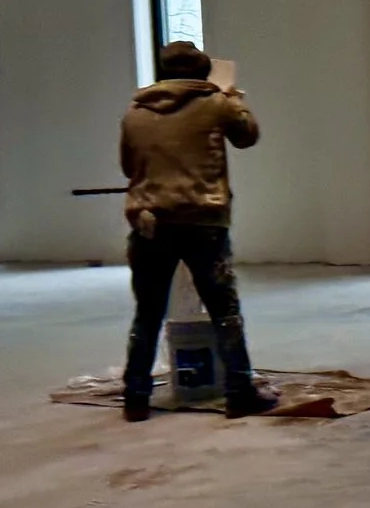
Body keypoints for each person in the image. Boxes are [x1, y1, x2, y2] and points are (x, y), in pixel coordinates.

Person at [117, 41, 278, 420]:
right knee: (224, 309)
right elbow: (247, 136)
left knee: (148, 310)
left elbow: (128, 168)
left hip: (149, 220)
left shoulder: (135, 112)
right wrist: (234, 98)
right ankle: (239, 391)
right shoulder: (216, 103)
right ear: (203, 71)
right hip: (202, 220)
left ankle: (135, 397)